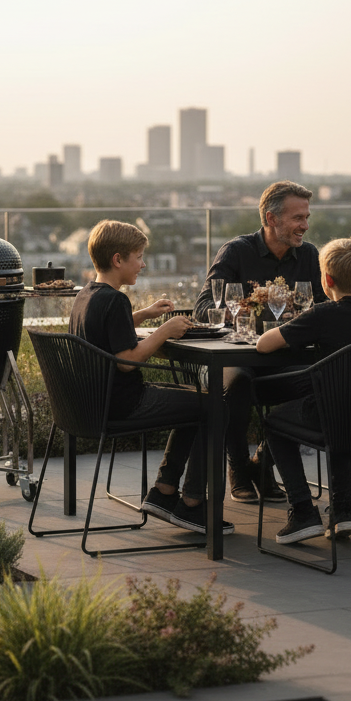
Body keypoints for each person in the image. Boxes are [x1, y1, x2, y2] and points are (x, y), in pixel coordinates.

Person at [70, 219, 232, 535]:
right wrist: (165, 330)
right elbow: (127, 361)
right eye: (139, 257)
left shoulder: (89, 293)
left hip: (92, 402)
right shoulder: (115, 298)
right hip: (123, 404)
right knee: (216, 406)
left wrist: (144, 316)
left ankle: (164, 491)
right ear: (118, 259)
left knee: (197, 401)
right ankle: (193, 505)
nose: (143, 264)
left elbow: (107, 328)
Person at [256, 238, 351, 544]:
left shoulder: (321, 315)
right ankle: (343, 511)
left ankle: (303, 510)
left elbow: (263, 344)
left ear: (326, 280)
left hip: (337, 416)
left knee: (276, 424)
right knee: (339, 406)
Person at [192, 180, 327, 504]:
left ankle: (263, 461)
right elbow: (203, 308)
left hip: (285, 360)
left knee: (324, 379)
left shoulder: (309, 256)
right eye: (298, 218)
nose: (305, 226)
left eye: (306, 218)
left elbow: (324, 308)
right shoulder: (237, 251)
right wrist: (245, 311)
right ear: (271, 218)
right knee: (236, 383)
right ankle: (238, 466)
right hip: (238, 358)